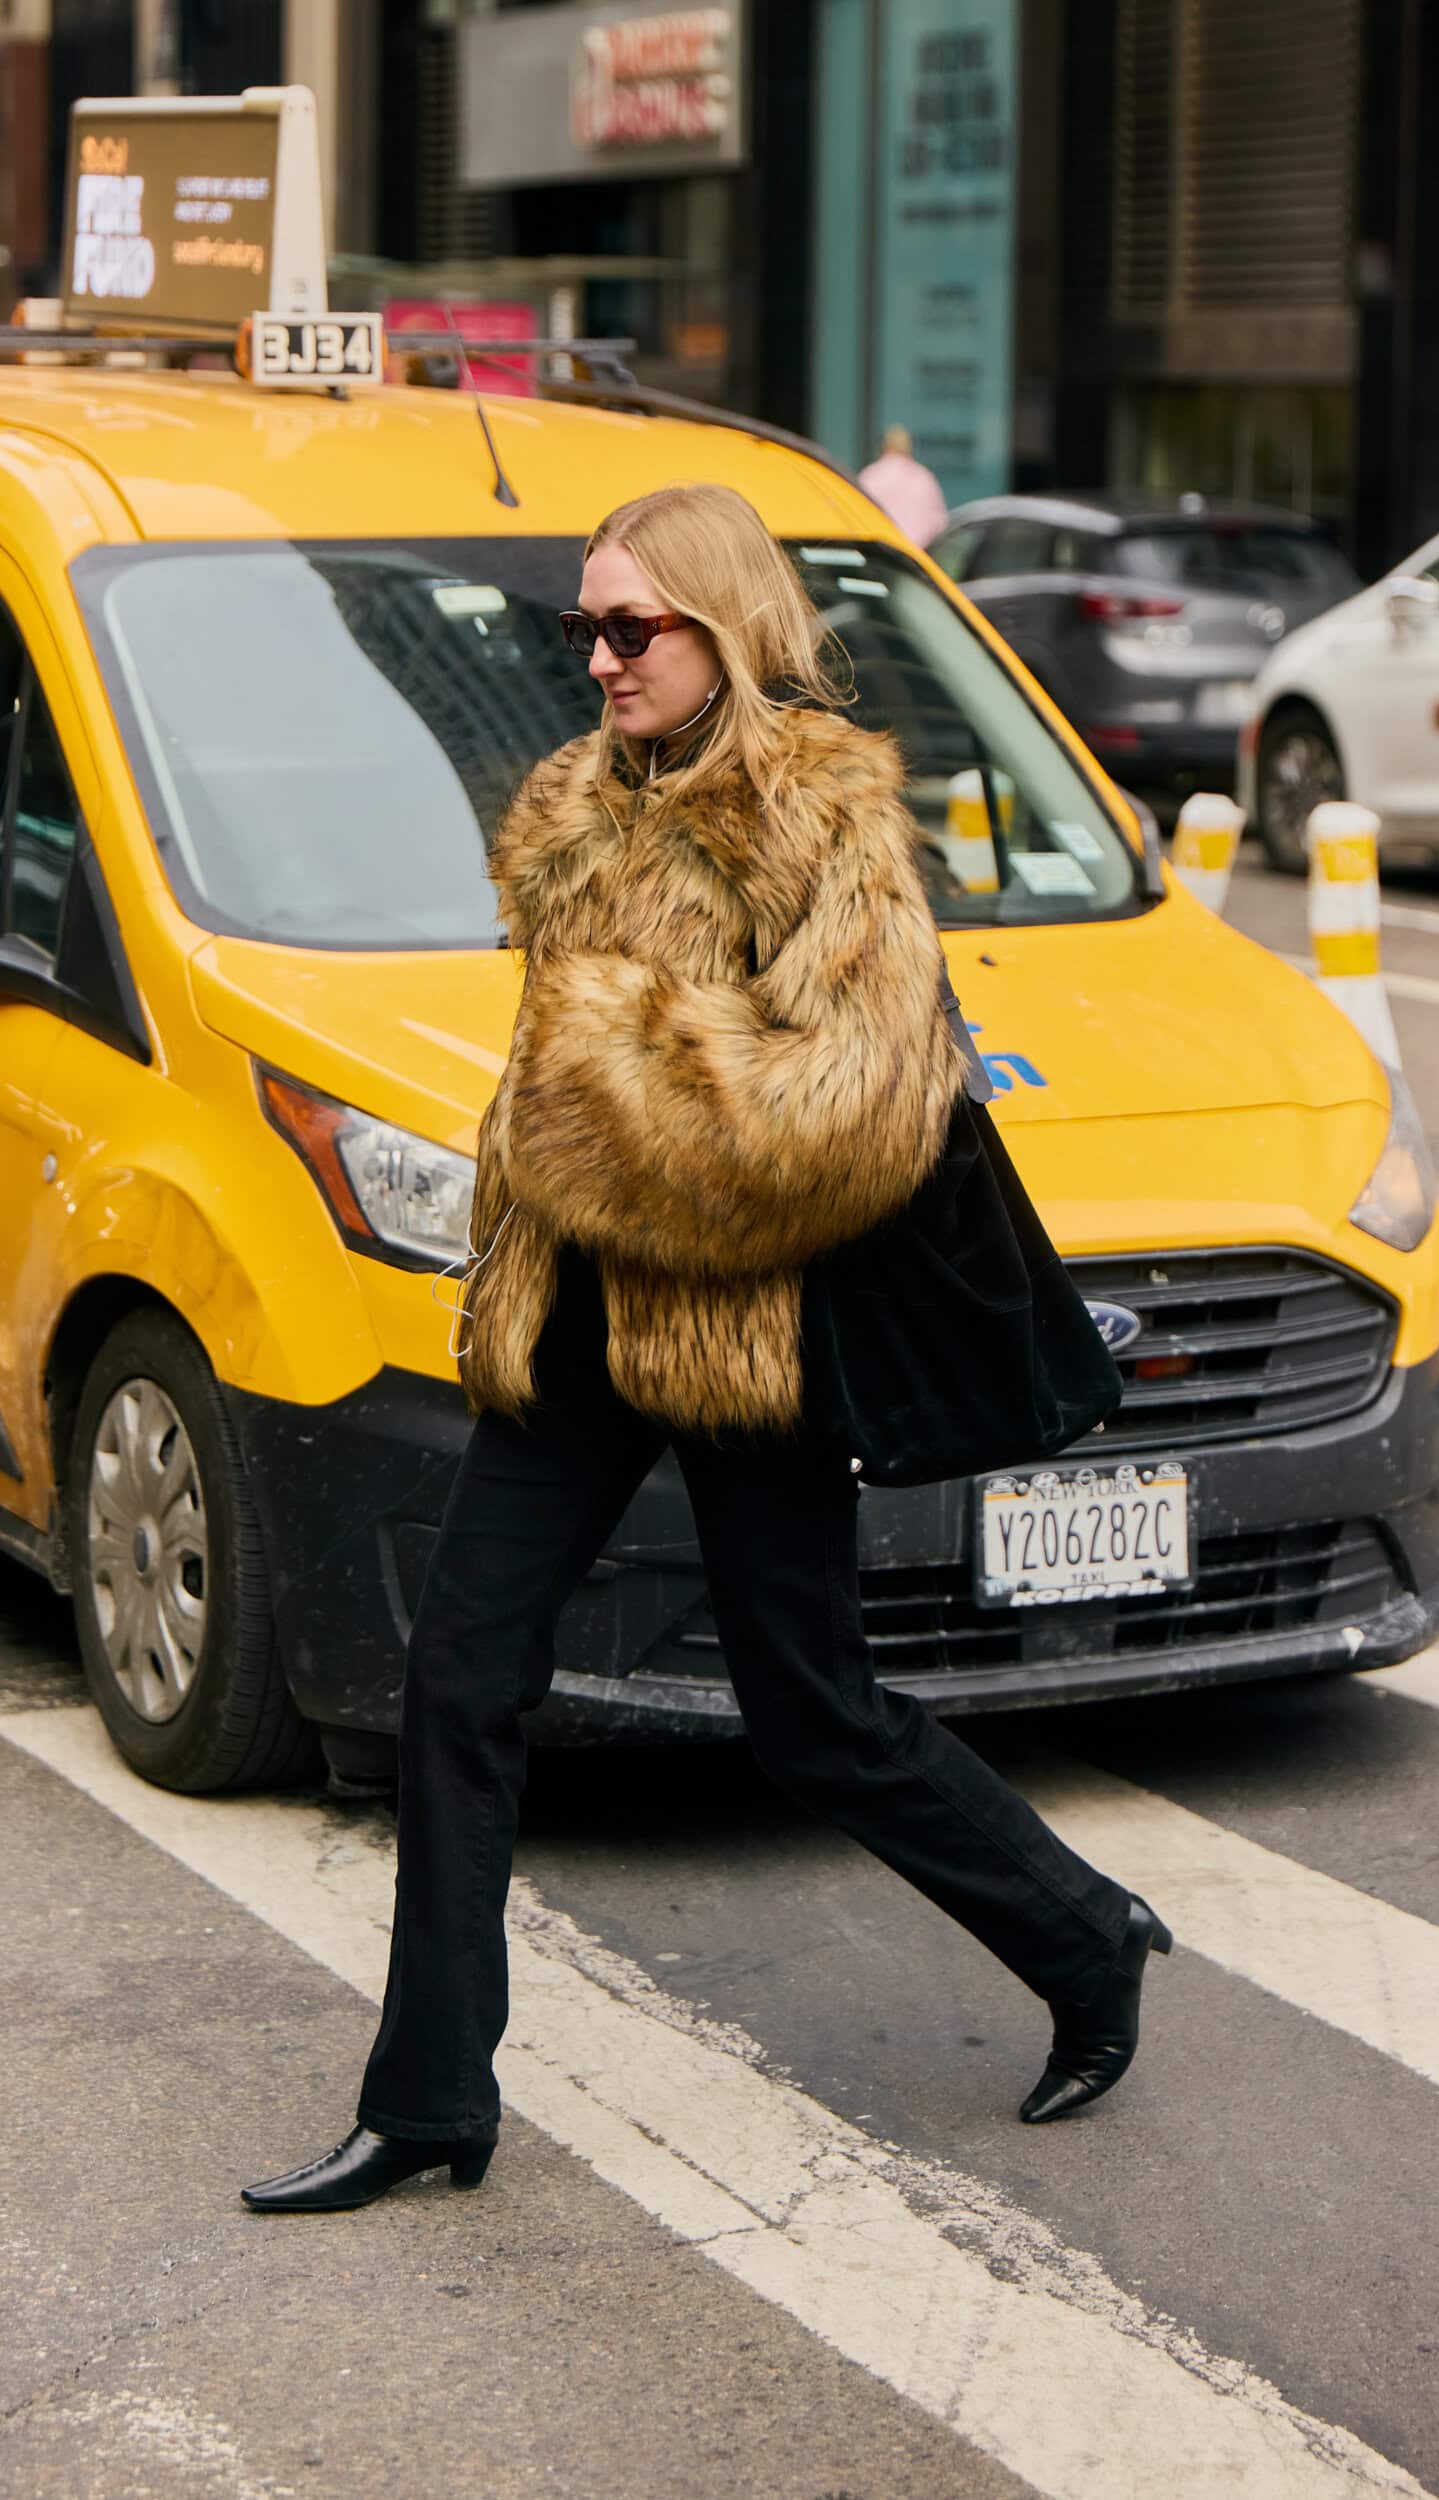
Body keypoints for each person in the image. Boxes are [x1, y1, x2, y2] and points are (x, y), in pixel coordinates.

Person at [241, 483, 1169, 2217]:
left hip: (745, 1331)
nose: (595, 661)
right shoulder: (572, 812)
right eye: (581, 629)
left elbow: (859, 1105)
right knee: (457, 1683)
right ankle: (431, 2093)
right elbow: (540, 1098)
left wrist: (607, 1066)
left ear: (725, 629)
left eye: (630, 629)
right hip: (574, 1320)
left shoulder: (825, 821)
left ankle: (1083, 1936)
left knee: (810, 1718)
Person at [858, 424, 950, 547]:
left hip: (879, 551)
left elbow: (858, 516)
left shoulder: (870, 476)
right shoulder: (923, 478)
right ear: (909, 448)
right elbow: (939, 524)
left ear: (885, 446)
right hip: (915, 554)